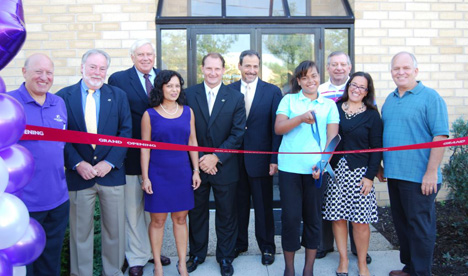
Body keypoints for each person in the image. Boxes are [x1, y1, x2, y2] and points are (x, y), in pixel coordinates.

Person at [56, 49, 132, 276]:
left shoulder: (118, 95)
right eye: (92, 67)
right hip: (79, 176)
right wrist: (77, 163)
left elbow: (125, 132)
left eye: (102, 68)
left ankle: (113, 272)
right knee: (80, 233)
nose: (97, 72)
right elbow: (60, 135)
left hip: (111, 175)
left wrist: (109, 162)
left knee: (114, 232)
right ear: (82, 67)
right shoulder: (63, 96)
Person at [378, 52, 449, 276]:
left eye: (406, 68)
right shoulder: (390, 99)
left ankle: (421, 273)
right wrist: (380, 165)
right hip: (396, 174)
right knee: (402, 225)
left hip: (419, 177)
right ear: (391, 72)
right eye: (396, 69)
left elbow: (440, 137)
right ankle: (409, 268)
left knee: (420, 228)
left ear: (416, 71)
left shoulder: (430, 97)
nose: (401, 72)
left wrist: (431, 172)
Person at [108, 39, 171, 276]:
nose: (145, 58)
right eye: (140, 54)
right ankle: (136, 256)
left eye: (149, 54)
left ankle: (152, 251)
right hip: (133, 155)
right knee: (133, 209)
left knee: (155, 209)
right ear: (132, 57)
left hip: (163, 157)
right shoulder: (119, 79)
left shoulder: (164, 78)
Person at [275, 60, 339, 276]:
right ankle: (289, 268)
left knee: (313, 218)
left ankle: (309, 268)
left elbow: (332, 139)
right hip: (290, 169)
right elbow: (279, 128)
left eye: (314, 76)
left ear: (319, 77)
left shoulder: (329, 105)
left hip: (316, 171)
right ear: (299, 81)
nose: (310, 81)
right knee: (291, 218)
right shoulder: (289, 100)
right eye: (305, 77)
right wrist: (301, 118)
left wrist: (323, 164)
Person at [185, 53, 246, 276]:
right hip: (196, 167)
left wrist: (216, 157)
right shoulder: (189, 95)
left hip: (225, 166)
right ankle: (197, 254)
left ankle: (225, 257)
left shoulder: (235, 97)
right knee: (197, 213)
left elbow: (238, 134)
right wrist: (202, 159)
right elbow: (185, 130)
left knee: (227, 214)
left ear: (223, 70)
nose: (213, 73)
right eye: (208, 69)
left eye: (217, 69)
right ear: (202, 69)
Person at [8, 54, 68, 276]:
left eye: (49, 72)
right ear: (24, 72)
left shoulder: (58, 103)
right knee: (25, 266)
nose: (44, 77)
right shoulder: (8, 104)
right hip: (24, 203)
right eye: (38, 72)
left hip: (57, 199)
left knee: (50, 262)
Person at [140, 70, 201, 276]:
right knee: (158, 221)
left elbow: (192, 142)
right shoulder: (150, 115)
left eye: (177, 86)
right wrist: (146, 177)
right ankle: (157, 264)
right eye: (169, 86)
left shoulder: (187, 112)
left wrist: (196, 171)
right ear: (161, 88)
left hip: (182, 172)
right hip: (157, 174)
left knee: (181, 219)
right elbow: (145, 147)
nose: (174, 90)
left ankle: (182, 263)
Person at [322, 72, 382, 276]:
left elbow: (377, 148)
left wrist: (370, 177)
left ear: (367, 92)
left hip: (360, 175)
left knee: (360, 221)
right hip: (337, 173)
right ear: (348, 86)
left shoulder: (372, 115)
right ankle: (343, 260)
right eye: (353, 85)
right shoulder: (335, 108)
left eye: (362, 87)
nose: (356, 90)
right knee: (338, 218)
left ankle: (362, 264)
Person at [317, 51, 372, 265]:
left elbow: (371, 126)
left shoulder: (360, 86)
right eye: (334, 64)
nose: (339, 68)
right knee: (330, 204)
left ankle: (359, 250)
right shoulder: (320, 90)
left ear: (349, 67)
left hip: (356, 159)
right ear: (328, 67)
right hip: (329, 155)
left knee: (355, 210)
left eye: (343, 64)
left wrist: (373, 166)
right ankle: (325, 244)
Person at [228, 50, 282, 265]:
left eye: (255, 66)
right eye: (247, 66)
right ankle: (240, 244)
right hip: (235, 160)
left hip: (261, 159)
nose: (251, 70)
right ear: (239, 66)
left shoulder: (272, 91)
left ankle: (267, 246)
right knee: (237, 206)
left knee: (263, 206)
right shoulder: (229, 90)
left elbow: (275, 128)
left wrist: (274, 158)